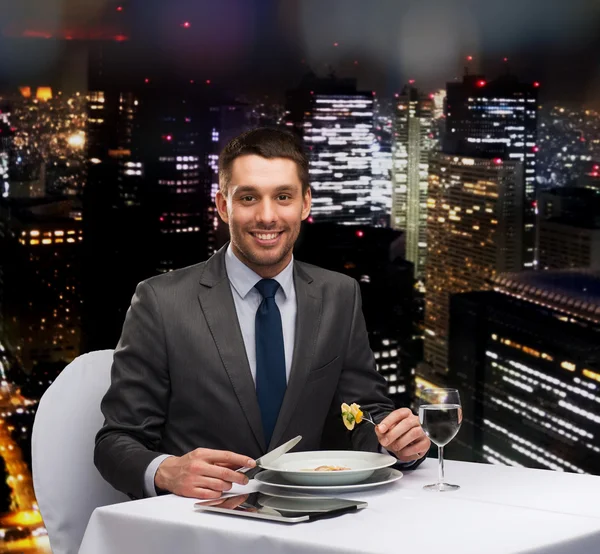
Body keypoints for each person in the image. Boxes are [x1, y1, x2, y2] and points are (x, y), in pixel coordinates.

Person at [94, 128, 430, 501]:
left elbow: (364, 414)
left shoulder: (340, 294)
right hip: (201, 527)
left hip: (313, 524)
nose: (267, 216)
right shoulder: (160, 301)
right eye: (249, 197)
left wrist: (398, 443)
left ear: (305, 204)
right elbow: (115, 442)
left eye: (283, 197)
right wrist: (166, 471)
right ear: (223, 206)